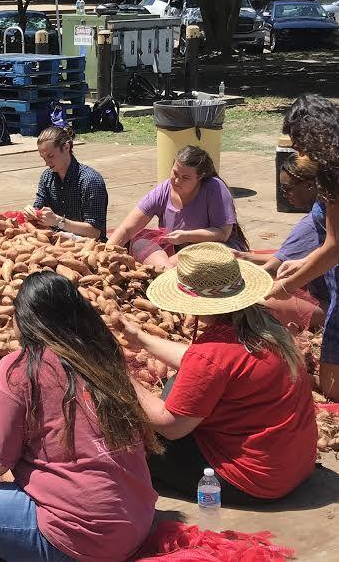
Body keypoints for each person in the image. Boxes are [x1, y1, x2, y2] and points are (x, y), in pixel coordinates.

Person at [0, 270, 158, 562]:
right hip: (137, 525)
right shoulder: (103, 356)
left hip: (76, 543)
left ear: (23, 319)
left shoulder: (19, 368)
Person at [119, 242, 317, 504]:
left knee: (128, 434)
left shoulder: (211, 354)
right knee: (178, 383)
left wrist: (121, 373)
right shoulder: (267, 329)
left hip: (252, 481)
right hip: (294, 465)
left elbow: (172, 428)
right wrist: (142, 339)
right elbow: (204, 362)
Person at [268, 94, 339, 400]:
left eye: (298, 144)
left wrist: (287, 285)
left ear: (313, 136)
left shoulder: (334, 171)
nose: (296, 151)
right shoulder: (329, 167)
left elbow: (335, 246)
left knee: (332, 386)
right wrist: (304, 260)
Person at [107, 145, 248, 270]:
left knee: (185, 259)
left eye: (186, 177)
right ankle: (166, 272)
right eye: (175, 173)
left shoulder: (214, 188)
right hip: (176, 249)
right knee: (139, 244)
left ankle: (165, 273)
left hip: (212, 247)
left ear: (200, 177)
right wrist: (105, 252)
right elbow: (127, 229)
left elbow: (222, 234)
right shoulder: (164, 190)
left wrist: (187, 236)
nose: (177, 180)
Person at [235, 154, 328, 329]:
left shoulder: (313, 223)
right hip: (322, 293)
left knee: (254, 304)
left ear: (310, 186)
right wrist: (247, 257)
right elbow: (297, 256)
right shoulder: (322, 211)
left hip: (327, 306)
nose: (284, 194)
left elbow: (270, 269)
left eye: (288, 189)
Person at [24, 126, 108, 240]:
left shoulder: (90, 181)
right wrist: (32, 213)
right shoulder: (47, 177)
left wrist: (58, 221)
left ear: (66, 147)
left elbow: (95, 232)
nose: (47, 163)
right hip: (54, 242)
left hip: (88, 248)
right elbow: (38, 209)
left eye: (50, 156)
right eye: (43, 158)